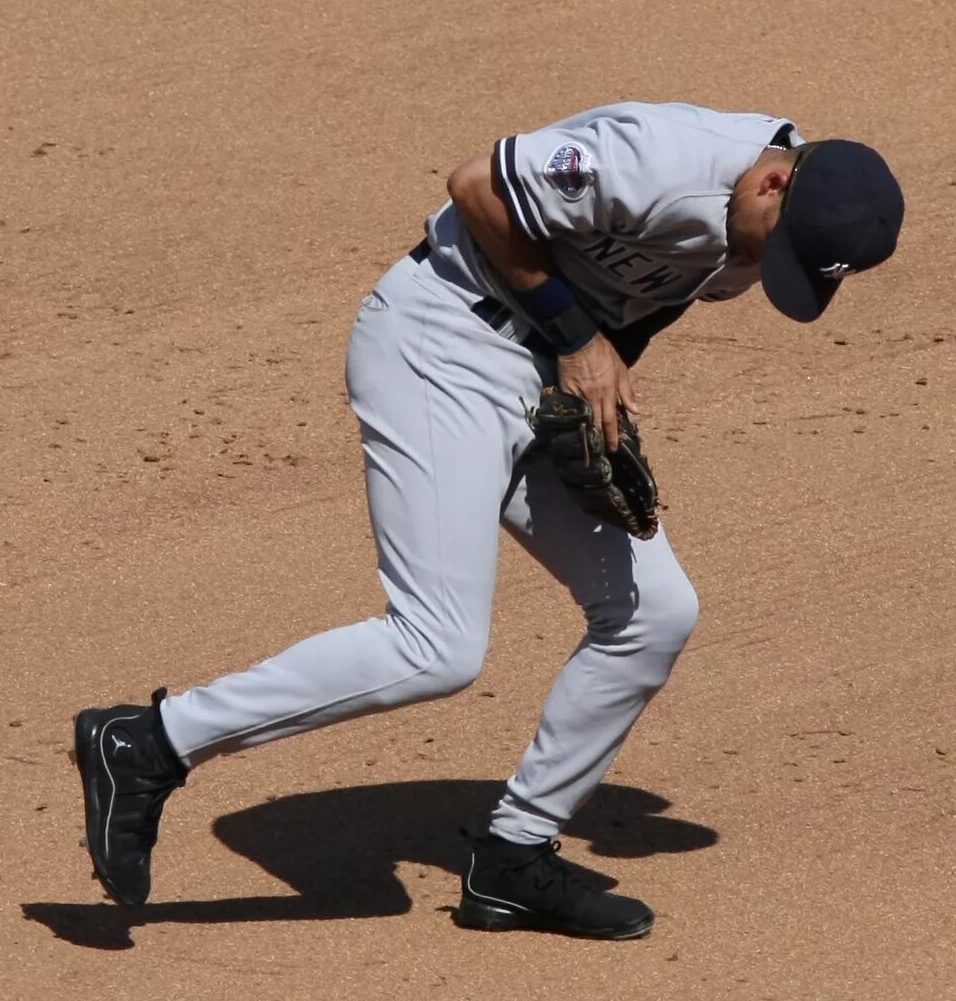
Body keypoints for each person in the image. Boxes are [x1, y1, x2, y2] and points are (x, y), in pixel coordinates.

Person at [71, 101, 904, 940]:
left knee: (655, 612)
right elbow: (477, 188)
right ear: (770, 180)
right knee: (437, 645)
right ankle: (149, 741)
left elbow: (649, 299)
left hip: (534, 376)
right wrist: (579, 342)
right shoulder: (659, 158)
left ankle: (514, 858)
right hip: (440, 345)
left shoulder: (755, 221)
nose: (771, 266)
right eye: (780, 245)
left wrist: (597, 400)